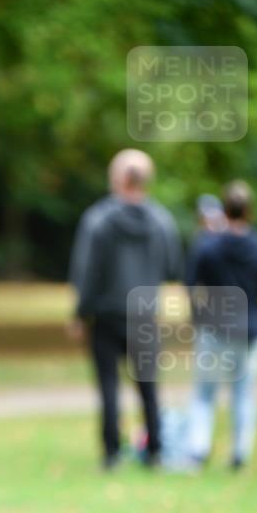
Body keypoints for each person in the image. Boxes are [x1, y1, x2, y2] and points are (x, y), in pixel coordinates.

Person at [68, 149, 182, 469]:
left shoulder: (98, 219)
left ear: (117, 179)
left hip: (106, 315)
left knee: (108, 386)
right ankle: (156, 451)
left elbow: (86, 271)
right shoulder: (162, 221)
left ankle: (111, 453)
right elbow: (173, 266)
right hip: (145, 313)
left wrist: (80, 313)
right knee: (149, 386)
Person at [185, 180, 257, 469]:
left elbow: (190, 284)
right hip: (250, 331)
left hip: (214, 329)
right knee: (243, 393)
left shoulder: (209, 246)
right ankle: (240, 452)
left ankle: (198, 450)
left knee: (204, 393)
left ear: (224, 210)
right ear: (249, 211)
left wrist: (199, 314)